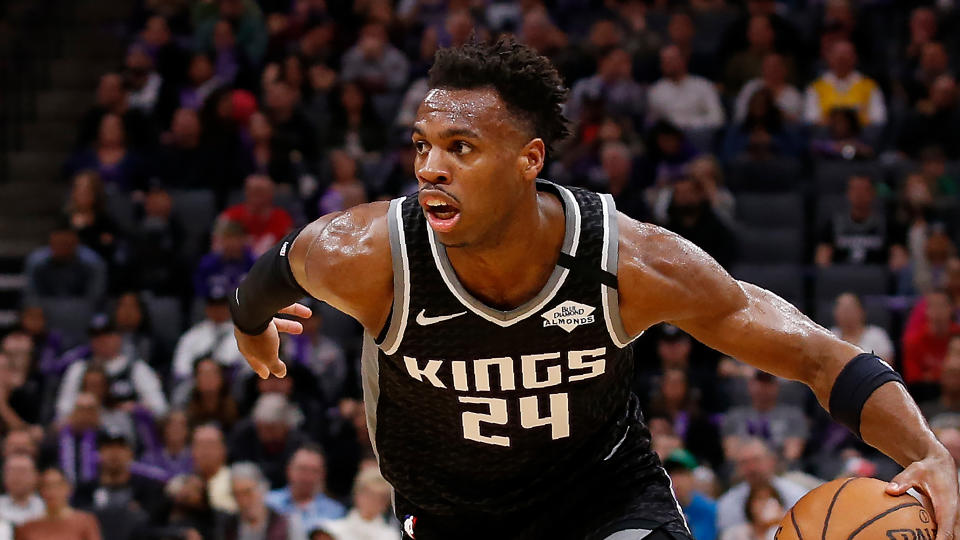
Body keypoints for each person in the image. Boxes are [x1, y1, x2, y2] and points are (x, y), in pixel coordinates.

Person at [230, 38, 960, 539]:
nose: (429, 169)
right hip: (454, 517)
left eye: (461, 148)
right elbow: (262, 283)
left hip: (606, 501)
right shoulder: (364, 254)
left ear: (529, 159)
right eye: (423, 146)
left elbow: (819, 357)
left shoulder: (629, 263)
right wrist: (250, 329)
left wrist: (927, 451)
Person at [55, 314, 168, 421]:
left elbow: (160, 409)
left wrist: (136, 408)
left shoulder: (136, 368)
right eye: (96, 336)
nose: (102, 340)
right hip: (88, 431)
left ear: (119, 337)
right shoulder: (78, 368)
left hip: (127, 433)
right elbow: (63, 411)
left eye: (107, 334)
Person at [715, 438, 806, 534]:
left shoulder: (798, 496)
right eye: (744, 462)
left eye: (756, 460)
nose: (752, 468)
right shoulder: (728, 504)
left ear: (771, 460)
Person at [815, 175, 907, 269]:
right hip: (842, 278)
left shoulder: (887, 224)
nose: (859, 194)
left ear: (872, 193)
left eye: (864, 189)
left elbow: (899, 259)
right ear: (848, 193)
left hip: (875, 278)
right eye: (854, 189)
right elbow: (822, 260)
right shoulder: (833, 223)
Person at [721, 371, 808, 465]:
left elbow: (792, 455)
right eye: (759, 382)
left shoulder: (793, 415)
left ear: (777, 386)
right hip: (744, 470)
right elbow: (731, 455)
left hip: (783, 472)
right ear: (750, 385)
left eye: (768, 383)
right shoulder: (734, 416)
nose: (763, 387)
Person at [228, 394, 309, 489]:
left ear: (285, 426)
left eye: (271, 429)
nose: (266, 434)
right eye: (261, 428)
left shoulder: (299, 443)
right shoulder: (244, 435)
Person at [266, 445, 345, 538]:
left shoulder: (335, 512)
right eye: (302, 469)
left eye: (314, 471)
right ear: (289, 470)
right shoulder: (268, 502)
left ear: (323, 475)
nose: (307, 477)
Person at [22, 222, 106, 307]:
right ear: (50, 244)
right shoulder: (36, 262)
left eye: (66, 244)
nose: (61, 248)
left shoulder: (92, 263)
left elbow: (95, 296)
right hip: (45, 310)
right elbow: (31, 294)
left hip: (82, 309)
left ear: (76, 243)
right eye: (57, 244)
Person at [804, 40, 886, 127]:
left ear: (855, 58)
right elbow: (811, 120)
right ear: (829, 58)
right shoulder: (815, 88)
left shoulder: (870, 86)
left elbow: (878, 119)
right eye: (839, 57)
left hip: (862, 137)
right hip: (826, 138)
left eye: (846, 56)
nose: (842, 61)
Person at [172, 287, 245, 382]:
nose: (218, 310)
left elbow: (250, 367)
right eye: (214, 306)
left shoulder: (244, 333)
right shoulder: (193, 335)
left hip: (233, 385)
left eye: (222, 306)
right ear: (207, 308)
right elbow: (180, 367)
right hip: (197, 385)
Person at [647, 45, 725, 131]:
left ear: (683, 60)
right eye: (664, 60)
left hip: (700, 134)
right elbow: (652, 123)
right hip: (671, 137)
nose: (667, 63)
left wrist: (689, 124)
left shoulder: (703, 85)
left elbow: (718, 118)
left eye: (671, 59)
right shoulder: (656, 91)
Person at [219, 174, 294, 257]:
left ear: (271, 194)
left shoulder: (282, 218)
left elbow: (289, 250)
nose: (257, 196)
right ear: (246, 192)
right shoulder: (229, 216)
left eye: (261, 191)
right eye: (253, 191)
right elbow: (217, 247)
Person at [17, 467, 101, 540]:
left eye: (57, 485)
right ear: (40, 491)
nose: (52, 491)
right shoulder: (27, 527)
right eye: (46, 486)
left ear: (69, 488)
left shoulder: (85, 522)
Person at [316, 467, 397, 540]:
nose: (374, 502)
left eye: (381, 498)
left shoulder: (391, 536)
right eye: (369, 495)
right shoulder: (330, 530)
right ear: (357, 495)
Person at [218, 462, 289, 540]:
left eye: (248, 493)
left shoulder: (283, 525)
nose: (243, 501)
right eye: (237, 495)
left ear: (262, 489)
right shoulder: (228, 528)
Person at [662, 450, 716, 540]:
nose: (676, 480)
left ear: (692, 477)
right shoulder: (660, 510)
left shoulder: (710, 510)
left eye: (681, 473)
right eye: (671, 474)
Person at [829, 293, 894, 363]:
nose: (846, 314)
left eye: (850, 309)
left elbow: (887, 367)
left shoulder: (877, 335)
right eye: (842, 309)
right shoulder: (828, 336)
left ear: (862, 311)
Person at [191, 424, 236, 513]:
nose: (205, 451)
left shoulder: (236, 482)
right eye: (200, 445)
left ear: (223, 449)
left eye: (210, 445)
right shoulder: (183, 484)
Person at [719, 482, 785, 540]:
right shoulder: (733, 534)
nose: (766, 504)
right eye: (760, 499)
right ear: (750, 505)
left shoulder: (786, 531)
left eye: (770, 498)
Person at [0, 454, 44, 526]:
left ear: (36, 476)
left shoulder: (46, 507)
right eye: (12, 471)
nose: (17, 476)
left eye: (22, 471)